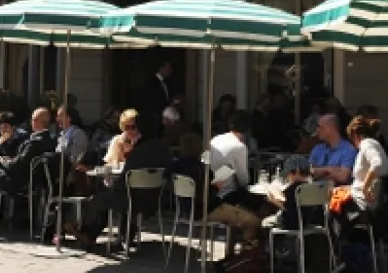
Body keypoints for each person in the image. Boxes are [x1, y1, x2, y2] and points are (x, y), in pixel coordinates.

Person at [61, 113, 173, 250]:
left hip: (133, 199)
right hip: (156, 198)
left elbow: (125, 180)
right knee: (110, 197)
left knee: (99, 199)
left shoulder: (139, 151)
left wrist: (114, 187)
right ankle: (126, 236)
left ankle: (87, 234)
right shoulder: (163, 148)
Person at [170, 132, 261, 247]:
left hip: (184, 209)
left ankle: (232, 252)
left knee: (235, 215)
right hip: (206, 210)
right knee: (253, 221)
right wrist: (216, 187)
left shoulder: (175, 166)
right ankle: (247, 252)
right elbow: (205, 195)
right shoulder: (201, 169)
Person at [209, 110, 253, 206]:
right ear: (248, 129)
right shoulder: (239, 147)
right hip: (226, 195)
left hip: (209, 191)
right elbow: (243, 180)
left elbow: (204, 160)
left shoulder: (215, 139)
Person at [308, 114, 358, 185]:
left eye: (320, 127)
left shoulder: (349, 150)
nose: (317, 130)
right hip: (314, 189)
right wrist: (328, 169)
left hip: (337, 190)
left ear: (331, 129)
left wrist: (318, 173)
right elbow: (307, 173)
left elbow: (343, 177)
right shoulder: (317, 149)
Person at [140, 60, 173, 128]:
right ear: (161, 69)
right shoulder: (151, 82)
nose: (170, 71)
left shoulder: (168, 83)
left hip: (166, 117)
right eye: (168, 68)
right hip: (155, 118)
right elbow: (149, 101)